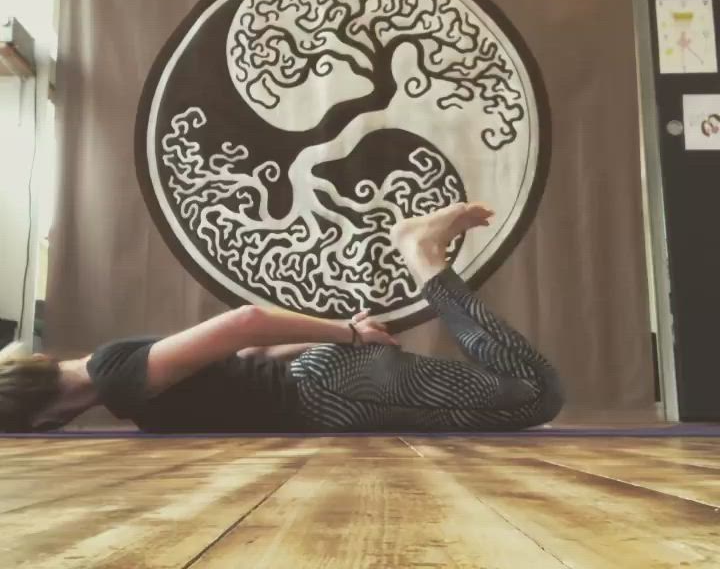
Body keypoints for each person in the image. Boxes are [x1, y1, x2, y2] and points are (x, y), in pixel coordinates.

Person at [0, 202, 564, 434]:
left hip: (327, 392)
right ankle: (422, 251)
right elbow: (244, 356)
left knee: (536, 396)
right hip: (327, 381)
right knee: (528, 396)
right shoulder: (113, 370)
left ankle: (420, 251)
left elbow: (244, 324)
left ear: (45, 418)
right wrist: (343, 340)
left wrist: (347, 334)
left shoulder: (117, 378)